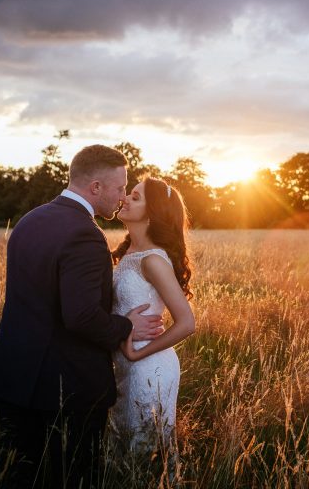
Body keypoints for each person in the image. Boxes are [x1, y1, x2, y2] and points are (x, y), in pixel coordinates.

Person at [0, 145, 164, 489]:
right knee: (73, 479)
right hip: (65, 392)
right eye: (120, 187)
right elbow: (80, 316)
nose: (123, 196)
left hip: (12, 380)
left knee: (16, 478)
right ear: (96, 187)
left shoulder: (29, 220)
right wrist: (127, 325)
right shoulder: (85, 233)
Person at [109, 177, 195, 468]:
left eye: (135, 197)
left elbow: (186, 322)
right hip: (125, 364)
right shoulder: (129, 253)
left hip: (149, 365)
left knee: (143, 455)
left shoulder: (153, 260)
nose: (126, 199)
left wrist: (137, 353)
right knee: (124, 449)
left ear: (152, 212)